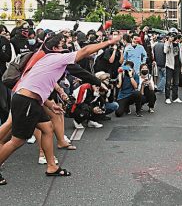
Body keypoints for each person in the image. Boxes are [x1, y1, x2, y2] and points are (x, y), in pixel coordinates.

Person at [0, 33, 122, 185]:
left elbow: (40, 83)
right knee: (17, 140)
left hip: (31, 100)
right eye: (63, 44)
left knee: (47, 128)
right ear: (55, 48)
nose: (66, 47)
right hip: (26, 101)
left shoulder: (48, 60)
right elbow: (85, 51)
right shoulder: (57, 57)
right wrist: (109, 42)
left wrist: (51, 104)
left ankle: (52, 166)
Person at [164, 33, 182, 104]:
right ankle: (167, 98)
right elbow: (165, 51)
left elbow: (181, 56)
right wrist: (169, 42)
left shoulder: (179, 45)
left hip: (177, 66)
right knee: (168, 82)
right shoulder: (167, 43)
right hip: (169, 65)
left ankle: (175, 97)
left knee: (176, 82)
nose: (178, 41)